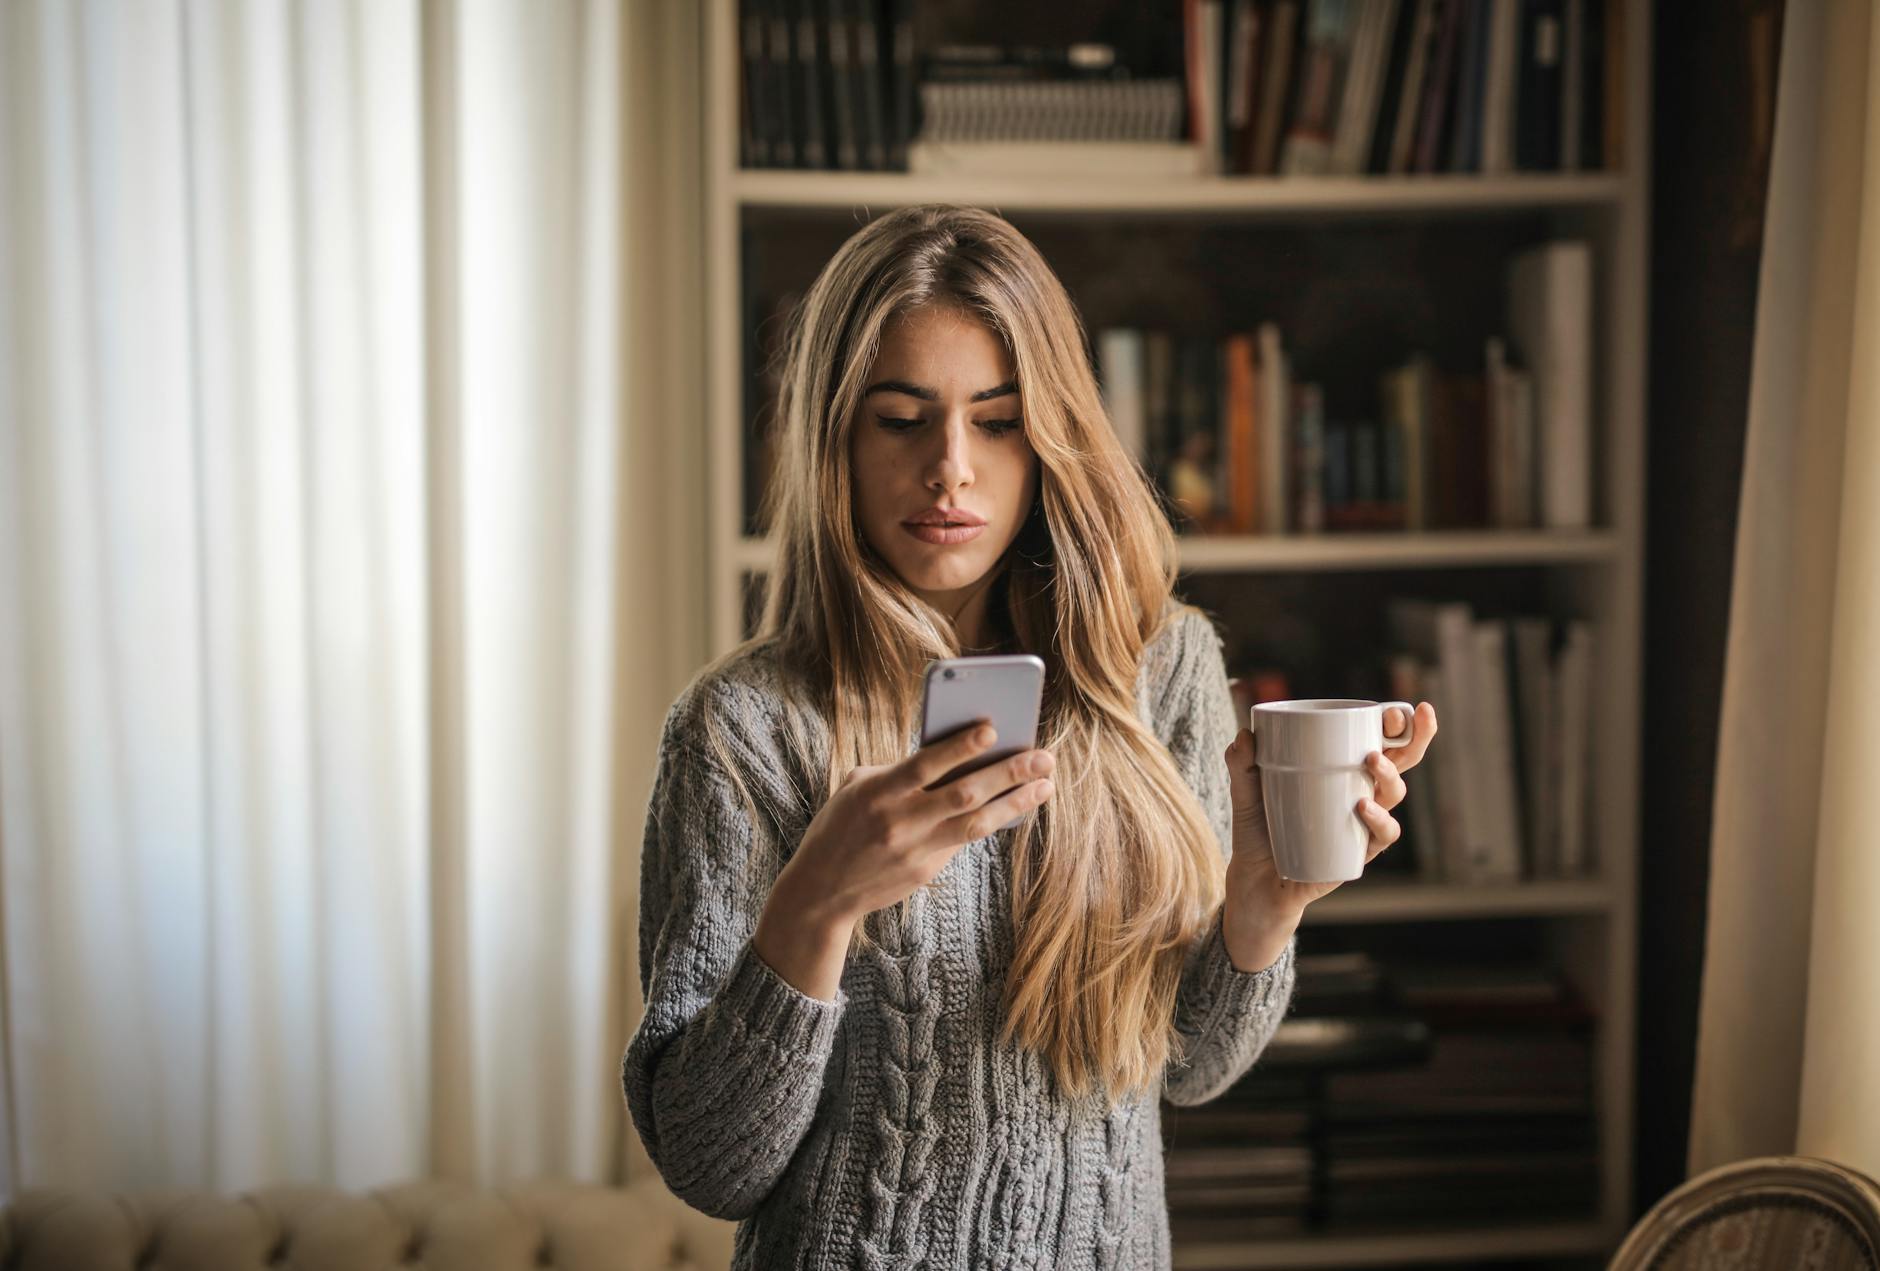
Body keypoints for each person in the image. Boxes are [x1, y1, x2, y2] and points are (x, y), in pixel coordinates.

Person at [621, 204, 1439, 1269]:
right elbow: (708, 1164)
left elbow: (1190, 1067)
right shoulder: (740, 731)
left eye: (995, 420)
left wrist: (1265, 900)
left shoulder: (1160, 670)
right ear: (835, 434)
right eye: (900, 417)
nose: (948, 466)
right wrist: (814, 905)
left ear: (1048, 433)